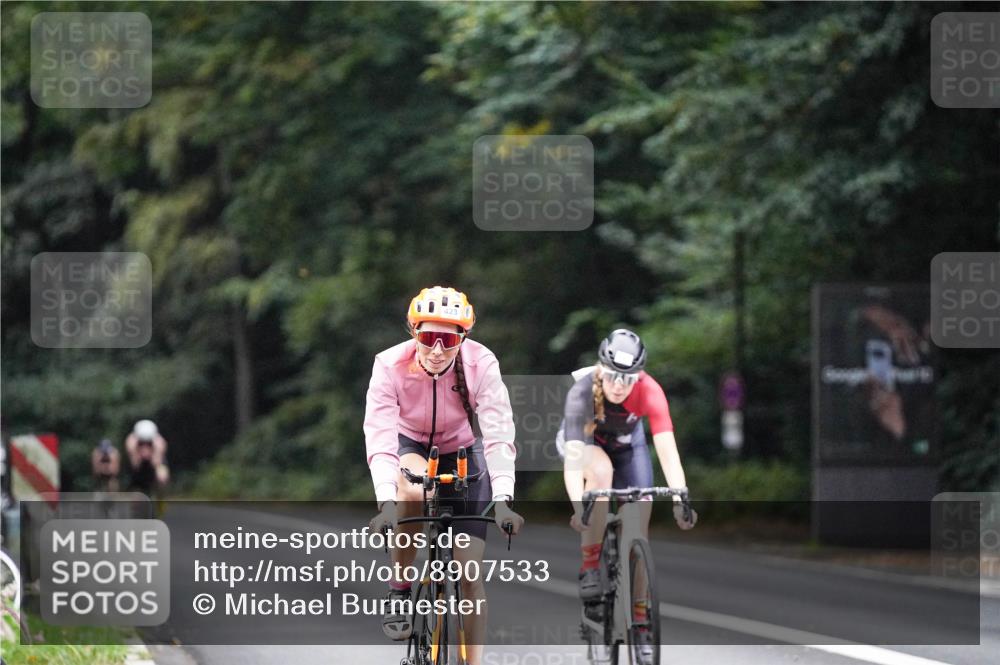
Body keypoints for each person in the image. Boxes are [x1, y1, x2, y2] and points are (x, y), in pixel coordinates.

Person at [365, 286, 524, 665]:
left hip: (463, 451)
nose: (437, 350)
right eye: (428, 338)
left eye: (448, 340)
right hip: (411, 446)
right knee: (413, 493)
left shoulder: (481, 363)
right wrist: (386, 503)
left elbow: (499, 434)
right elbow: (381, 439)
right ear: (414, 333)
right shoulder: (389, 364)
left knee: (469, 574)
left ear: (463, 338)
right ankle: (400, 588)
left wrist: (504, 500)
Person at [558, 329, 697, 618]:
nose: (619, 386)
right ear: (601, 370)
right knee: (601, 471)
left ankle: (640, 614)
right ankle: (590, 566)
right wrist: (579, 507)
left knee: (637, 532)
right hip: (586, 444)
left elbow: (667, 451)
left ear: (639, 377)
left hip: (627, 447)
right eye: (612, 377)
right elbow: (572, 462)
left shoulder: (650, 390)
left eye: (629, 379)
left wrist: (680, 498)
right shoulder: (582, 392)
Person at [125, 420, 169, 495]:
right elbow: (135, 464)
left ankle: (160, 498)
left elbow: (157, 462)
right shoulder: (131, 442)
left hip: (154, 464)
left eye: (148, 443)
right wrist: (139, 457)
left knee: (162, 477)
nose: (145, 445)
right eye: (142, 443)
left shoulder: (159, 442)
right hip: (139, 466)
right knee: (137, 486)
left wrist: (151, 457)